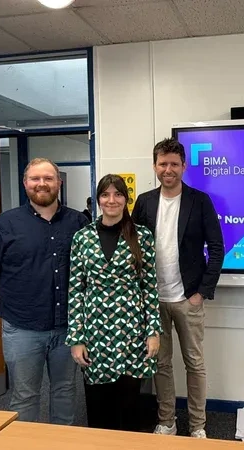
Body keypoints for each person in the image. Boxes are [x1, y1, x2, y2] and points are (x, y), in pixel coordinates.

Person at [0, 158, 89, 424]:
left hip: (67, 328)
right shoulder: (4, 224)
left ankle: (62, 443)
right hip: (22, 327)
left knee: (65, 391)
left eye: (48, 178)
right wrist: (17, 292)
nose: (42, 184)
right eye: (35, 179)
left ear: (58, 183)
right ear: (25, 183)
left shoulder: (79, 223)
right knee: (25, 396)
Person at [132, 138, 224, 439]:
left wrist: (201, 293)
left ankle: (198, 425)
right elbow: (131, 246)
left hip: (188, 298)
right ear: (155, 166)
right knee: (161, 363)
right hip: (154, 300)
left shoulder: (200, 201)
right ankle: (167, 421)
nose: (168, 169)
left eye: (174, 164)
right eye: (162, 164)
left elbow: (217, 248)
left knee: (194, 364)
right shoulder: (144, 202)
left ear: (184, 166)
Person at [66, 174, 162, 432]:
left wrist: (153, 331)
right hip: (95, 331)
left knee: (130, 405)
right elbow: (76, 290)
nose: (112, 200)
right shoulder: (82, 238)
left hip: (132, 329)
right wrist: (76, 338)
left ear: (126, 199)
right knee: (99, 407)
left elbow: (150, 286)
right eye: (106, 195)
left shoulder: (141, 236)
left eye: (118, 194)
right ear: (98, 199)